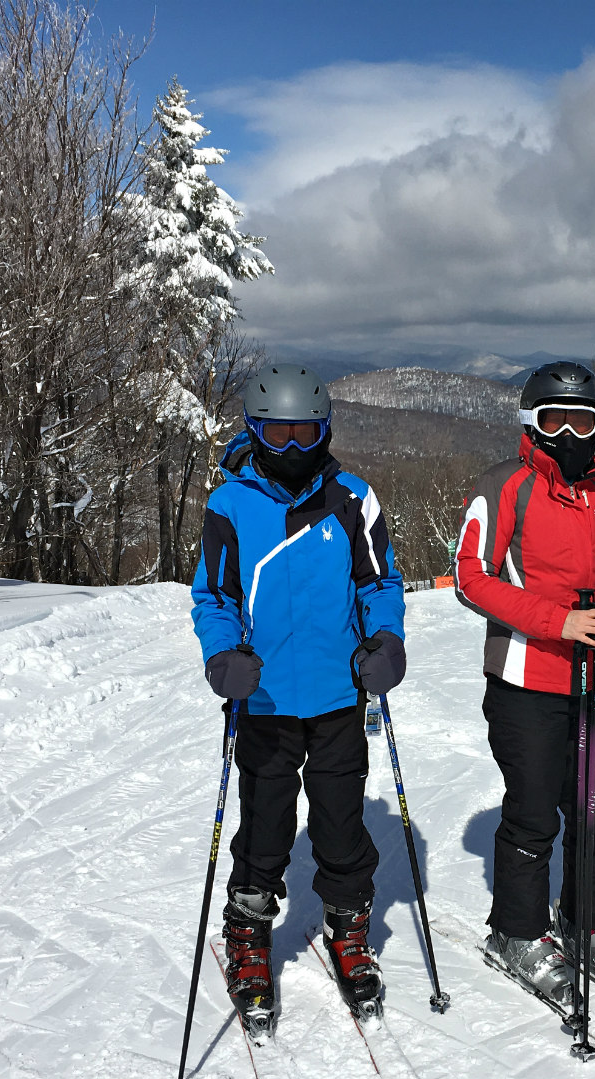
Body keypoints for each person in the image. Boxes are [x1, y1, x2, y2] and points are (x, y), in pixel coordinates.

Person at [190, 363, 406, 1022]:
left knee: (342, 828)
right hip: (264, 701)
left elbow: (378, 584)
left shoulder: (353, 498)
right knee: (265, 826)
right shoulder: (231, 505)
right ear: (254, 431)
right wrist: (223, 655)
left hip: (339, 696)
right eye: (276, 434)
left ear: (325, 431)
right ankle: (249, 933)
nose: (291, 449)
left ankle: (348, 929)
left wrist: (385, 640)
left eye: (305, 433)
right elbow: (215, 596)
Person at [454, 361, 595, 1005]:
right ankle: (517, 932)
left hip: (589, 683)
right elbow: (471, 579)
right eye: (554, 420)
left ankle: (588, 925)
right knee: (535, 812)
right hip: (524, 680)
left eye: (583, 420)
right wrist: (556, 622)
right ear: (531, 424)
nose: (569, 433)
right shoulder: (504, 488)